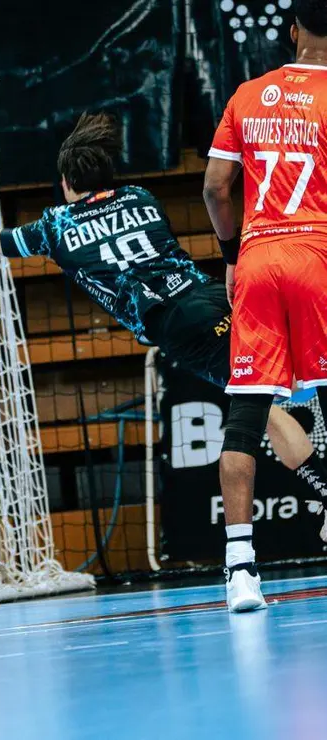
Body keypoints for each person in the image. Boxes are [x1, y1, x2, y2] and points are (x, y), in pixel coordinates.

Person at [0, 112, 327, 614]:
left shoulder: (56, 228)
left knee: (256, 418)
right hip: (218, 302)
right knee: (268, 409)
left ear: (66, 183)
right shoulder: (141, 198)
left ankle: (252, 557)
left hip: (183, 332)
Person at [202, 0, 327, 610]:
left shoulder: (247, 95)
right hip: (318, 257)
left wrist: (231, 255)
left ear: (293, 29)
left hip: (256, 259)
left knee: (244, 419)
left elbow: (214, 188)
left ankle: (241, 570)